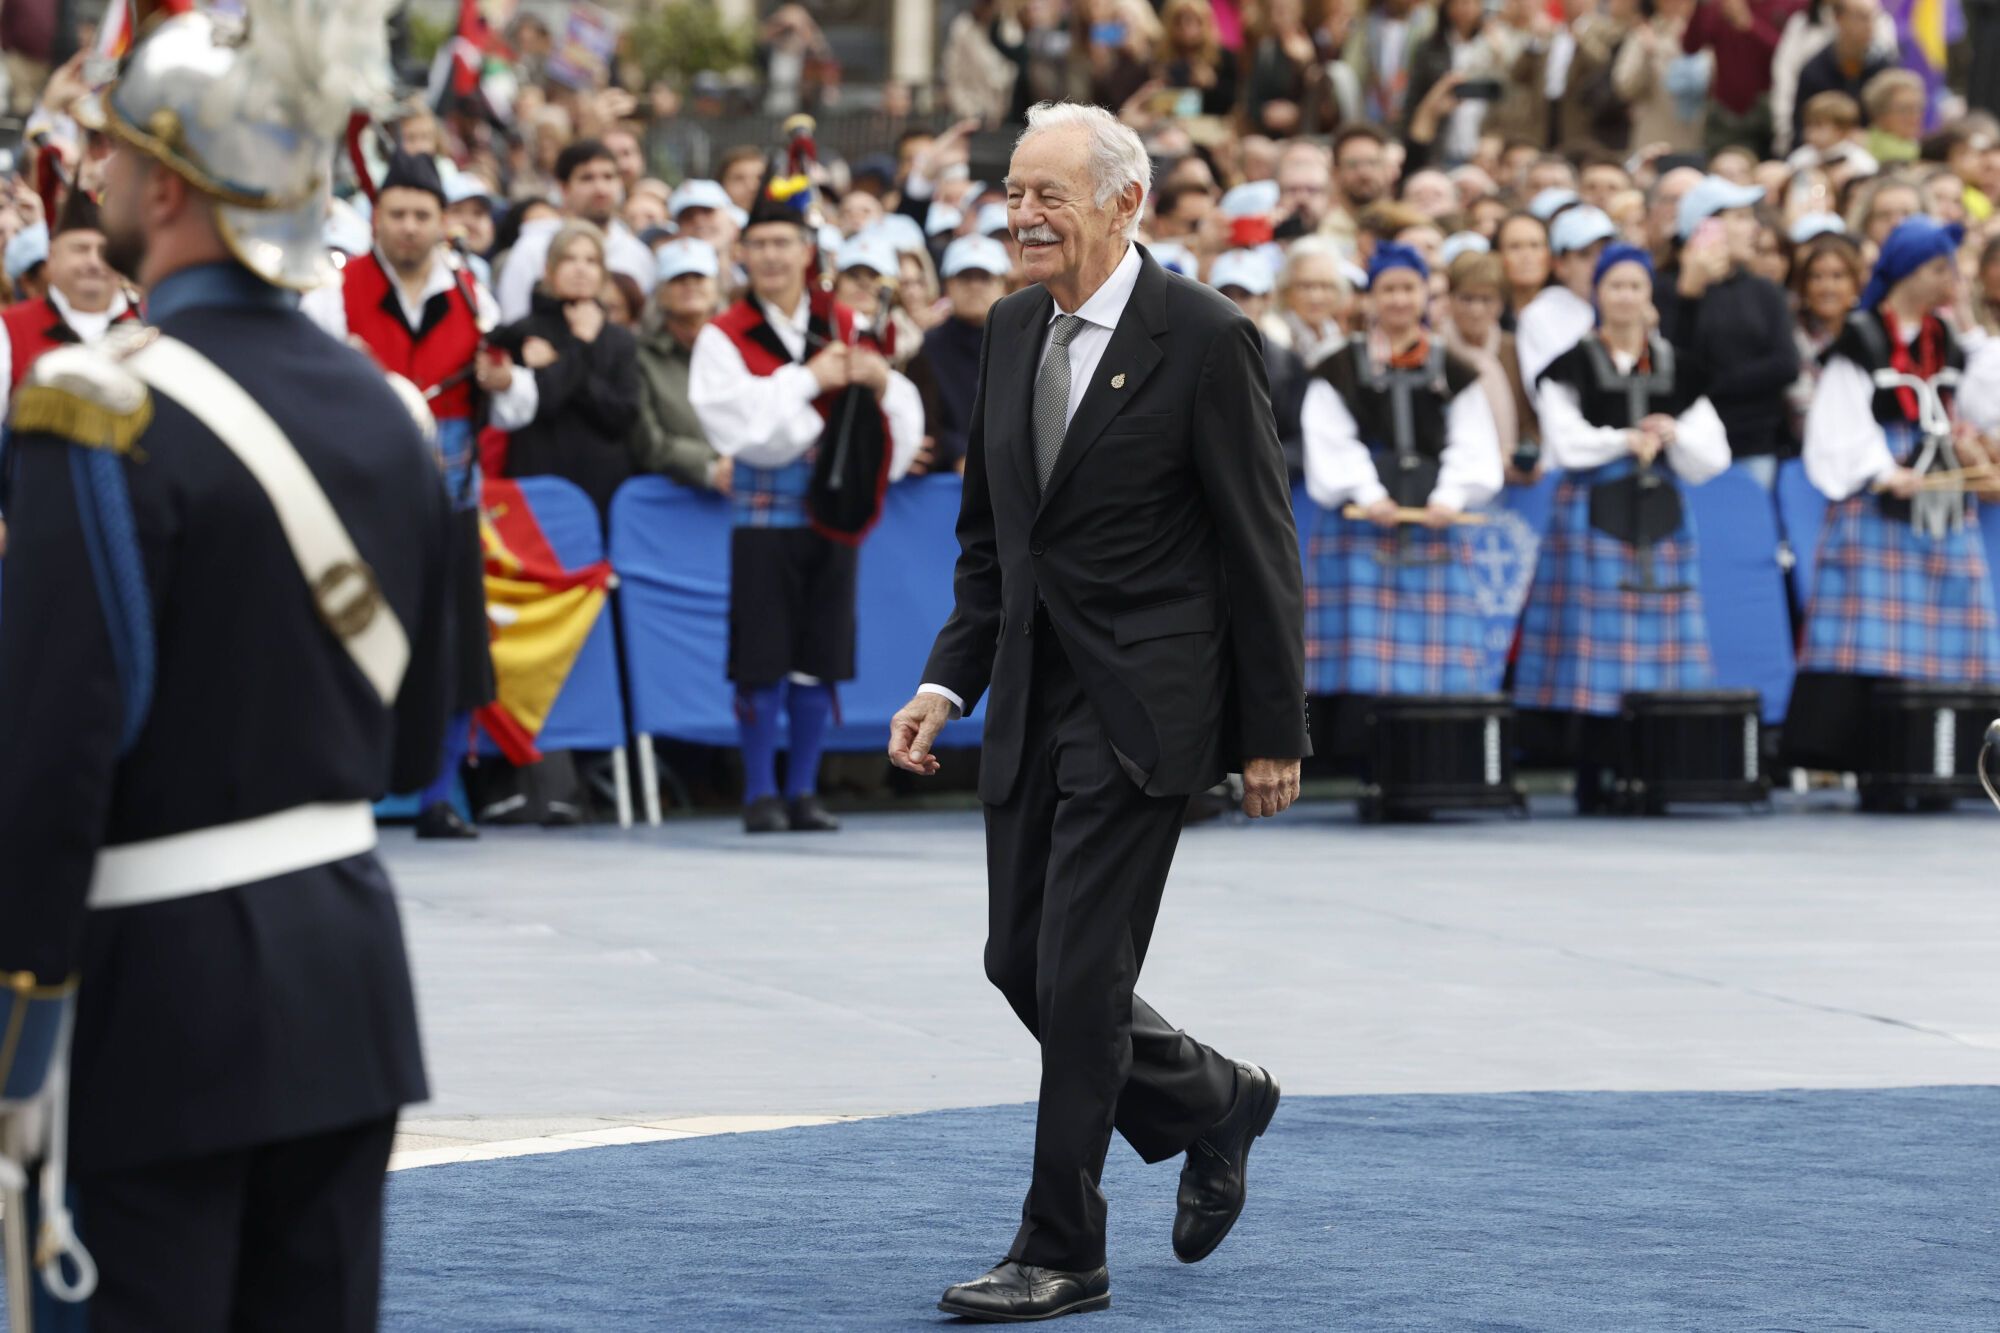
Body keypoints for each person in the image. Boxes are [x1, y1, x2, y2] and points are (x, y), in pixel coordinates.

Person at [0, 3, 447, 1326]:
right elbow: (419, 744)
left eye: (121, 154)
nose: (104, 176)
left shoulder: (99, 406)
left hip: (158, 1001)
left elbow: (46, 762)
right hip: (351, 978)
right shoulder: (390, 410)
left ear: (173, 187)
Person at [888, 101, 1307, 1322]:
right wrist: (941, 678)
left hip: (1146, 706)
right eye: (1012, 193)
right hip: (1026, 692)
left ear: (1124, 205)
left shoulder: (1204, 336)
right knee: (1016, 960)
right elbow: (991, 542)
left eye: (1047, 196)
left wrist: (1270, 727)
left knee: (1078, 977)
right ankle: (1211, 1099)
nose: (1019, 217)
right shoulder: (1009, 329)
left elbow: (1259, 546)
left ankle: (1060, 1243)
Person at [301, 151, 537, 842]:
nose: (407, 227)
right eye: (396, 213)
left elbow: (519, 400)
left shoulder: (472, 293)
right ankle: (351, 788)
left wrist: (504, 382)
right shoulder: (329, 295)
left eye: (421, 215)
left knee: (454, 644)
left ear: (443, 222)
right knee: (353, 637)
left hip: (450, 495)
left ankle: (439, 795)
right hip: (356, 496)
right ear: (375, 217)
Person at [690, 137, 923, 835]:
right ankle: (760, 791)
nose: (769, 255)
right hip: (763, 511)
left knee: (821, 654)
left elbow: (896, 415)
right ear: (743, 254)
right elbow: (741, 431)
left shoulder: (845, 324)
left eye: (782, 242)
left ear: (806, 251)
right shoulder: (723, 334)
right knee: (761, 655)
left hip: (831, 507)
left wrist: (882, 381)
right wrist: (807, 381)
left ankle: (804, 791)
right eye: (757, 243)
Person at [1516, 244, 1732, 796]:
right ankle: (1594, 774)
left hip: (1661, 516)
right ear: (1598, 295)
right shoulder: (1571, 364)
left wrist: (1674, 433)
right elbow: (1565, 442)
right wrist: (1625, 438)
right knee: (1591, 648)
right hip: (1594, 513)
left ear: (1649, 296)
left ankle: (1649, 771)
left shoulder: (1676, 365)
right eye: (1615, 286)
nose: (1626, 297)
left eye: (1636, 286)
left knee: (1660, 649)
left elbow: (1714, 452)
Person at [1787, 216, 2000, 774]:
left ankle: (1947, 759)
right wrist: (1882, 469)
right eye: (1938, 269)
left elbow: (1973, 409)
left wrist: (1971, 443)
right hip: (1878, 503)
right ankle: (1872, 758)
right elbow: (1835, 425)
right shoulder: (1861, 339)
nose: (1949, 279)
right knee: (1867, 635)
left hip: (1941, 501)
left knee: (1953, 617)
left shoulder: (1948, 340)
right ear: (1909, 273)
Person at [1300, 241, 1503, 749]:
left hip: (1433, 526)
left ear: (1425, 296)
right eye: (1388, 289)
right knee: (1362, 662)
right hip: (1362, 527)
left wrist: (1450, 498)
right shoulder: (1339, 366)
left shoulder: (1452, 367)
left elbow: (1473, 441)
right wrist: (1369, 494)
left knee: (1437, 661)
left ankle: (1428, 758)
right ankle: (1365, 762)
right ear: (1371, 298)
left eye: (1408, 289)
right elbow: (1329, 439)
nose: (1398, 300)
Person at [489, 221, 642, 522]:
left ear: (603, 273)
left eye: (591, 260)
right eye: (569, 259)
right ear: (549, 269)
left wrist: (562, 362)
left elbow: (623, 415)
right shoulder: (522, 333)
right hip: (539, 481)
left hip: (604, 487)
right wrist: (581, 344)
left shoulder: (620, 339)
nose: (580, 269)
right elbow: (545, 401)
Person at [1657, 175, 1802, 481]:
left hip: (1755, 449)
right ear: (1704, 227)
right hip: (1687, 454)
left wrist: (1712, 385)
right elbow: (1670, 373)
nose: (1755, 228)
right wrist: (1689, 297)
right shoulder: (1665, 291)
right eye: (1740, 217)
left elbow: (1786, 365)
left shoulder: (1764, 291)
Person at [0, 183, 134, 411]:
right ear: (52, 256)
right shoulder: (9, 329)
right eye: (80, 249)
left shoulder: (148, 325)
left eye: (103, 251)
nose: (94, 262)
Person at [495, 139, 655, 323]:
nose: (600, 189)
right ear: (563, 188)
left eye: (608, 177)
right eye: (587, 178)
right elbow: (514, 321)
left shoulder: (637, 254)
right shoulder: (533, 249)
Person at [631, 238, 728, 492]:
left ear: (716, 288)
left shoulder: (741, 348)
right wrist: (711, 465)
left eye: (699, 276)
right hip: (672, 491)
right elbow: (647, 440)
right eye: (678, 279)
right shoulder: (640, 356)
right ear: (660, 294)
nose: (690, 285)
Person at [913, 233, 1010, 476]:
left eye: (984, 277)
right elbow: (924, 418)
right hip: (946, 481)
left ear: (1002, 284)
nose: (974, 286)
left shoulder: (1026, 342)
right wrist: (957, 454)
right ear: (947, 286)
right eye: (965, 277)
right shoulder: (927, 347)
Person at [1211, 247, 1309, 480]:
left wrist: (1258, 469)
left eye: (1245, 295)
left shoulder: (1288, 363)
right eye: (1225, 293)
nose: (1233, 303)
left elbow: (1302, 439)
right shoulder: (1189, 357)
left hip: (1267, 489)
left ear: (1267, 299)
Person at [1443, 249, 1539, 471]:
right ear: (1450, 298)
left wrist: (1525, 454)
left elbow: (1530, 421)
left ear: (1501, 304)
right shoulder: (1435, 350)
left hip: (1511, 478)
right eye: (1466, 298)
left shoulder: (1514, 349)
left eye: (1487, 300)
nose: (1476, 310)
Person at [1515, 203, 1616, 386]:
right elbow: (1546, 390)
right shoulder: (1539, 316)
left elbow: (1646, 372)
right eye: (1584, 254)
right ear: (1559, 265)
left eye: (1605, 251)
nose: (1598, 263)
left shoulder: (1634, 306)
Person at [1785, 228, 1865, 445]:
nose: (1827, 287)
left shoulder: (1869, 332)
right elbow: (1801, 408)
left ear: (1856, 284)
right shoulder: (1795, 337)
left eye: (1838, 276)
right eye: (1816, 277)